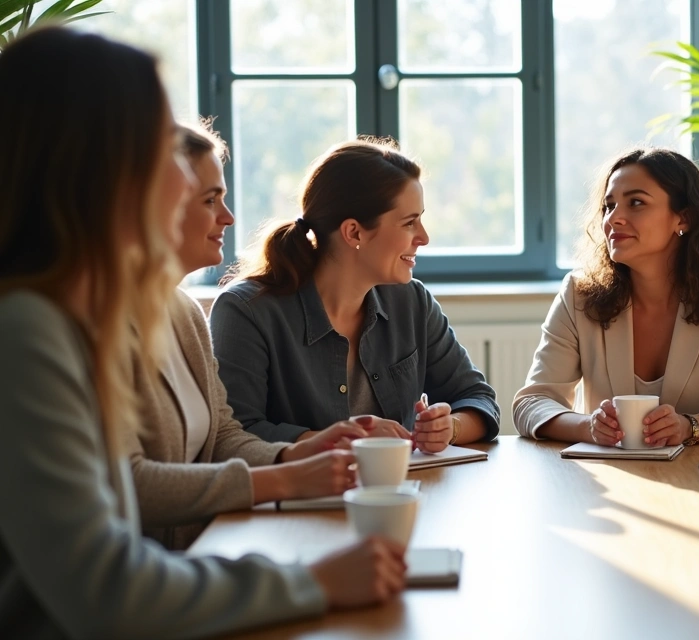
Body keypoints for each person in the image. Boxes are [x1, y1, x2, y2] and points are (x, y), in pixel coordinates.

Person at [0, 27, 405, 638]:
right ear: (97, 166)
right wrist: (312, 582)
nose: (186, 183)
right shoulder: (28, 332)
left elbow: (213, 439)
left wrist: (294, 456)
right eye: (162, 148)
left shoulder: (107, 316)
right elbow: (105, 588)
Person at [125, 121, 369, 551]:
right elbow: (130, 482)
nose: (229, 217)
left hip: (200, 553)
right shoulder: (100, 324)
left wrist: (301, 451)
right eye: (210, 199)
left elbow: (222, 437)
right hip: (152, 574)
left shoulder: (184, 313)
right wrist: (284, 477)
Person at [210, 139, 499, 452]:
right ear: (354, 233)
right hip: (300, 497)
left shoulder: (412, 302)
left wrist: (448, 428)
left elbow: (478, 398)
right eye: (409, 222)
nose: (424, 238)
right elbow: (234, 434)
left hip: (405, 493)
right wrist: (343, 441)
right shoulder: (245, 311)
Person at [514, 147, 699, 446]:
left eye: (636, 203)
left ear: (683, 218)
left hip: (695, 476)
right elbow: (532, 403)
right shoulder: (578, 295)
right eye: (609, 206)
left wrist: (689, 427)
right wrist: (587, 427)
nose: (614, 219)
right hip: (602, 479)